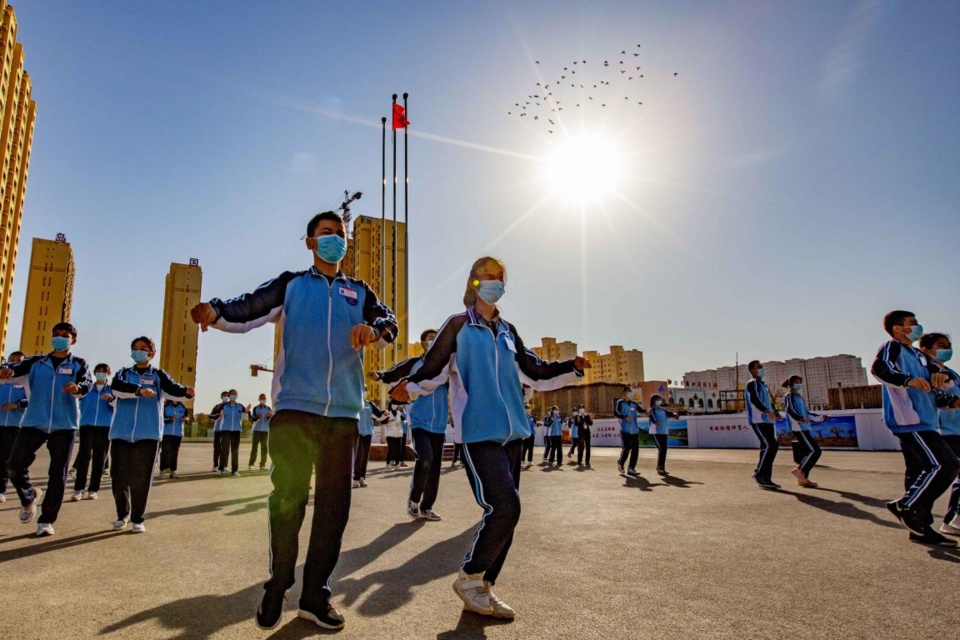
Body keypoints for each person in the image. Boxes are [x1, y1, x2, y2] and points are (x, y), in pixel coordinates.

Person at [190, 208, 397, 630]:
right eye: (326, 233)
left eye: (340, 234)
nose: (335, 239)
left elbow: (388, 322)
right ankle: (279, 580)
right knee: (288, 502)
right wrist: (214, 311)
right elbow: (249, 307)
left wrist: (373, 332)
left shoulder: (359, 291)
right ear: (309, 242)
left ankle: (314, 594)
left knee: (334, 509)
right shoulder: (292, 285)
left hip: (342, 415)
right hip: (295, 412)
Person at [390, 256, 588, 619]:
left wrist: (570, 368)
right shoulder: (457, 327)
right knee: (505, 507)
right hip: (479, 434)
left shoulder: (509, 331)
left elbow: (536, 372)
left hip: (514, 433)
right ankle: (470, 576)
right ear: (473, 282)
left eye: (500, 277)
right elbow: (431, 367)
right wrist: (410, 388)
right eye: (487, 276)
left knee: (509, 515)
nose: (495, 281)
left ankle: (483, 587)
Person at [872, 311, 960, 546]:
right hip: (910, 420)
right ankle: (906, 506)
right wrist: (907, 380)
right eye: (912, 324)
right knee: (946, 464)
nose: (917, 326)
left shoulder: (917, 356)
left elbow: (929, 390)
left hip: (926, 420)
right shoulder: (892, 347)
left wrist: (950, 401)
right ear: (898, 328)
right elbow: (880, 369)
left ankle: (920, 527)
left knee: (920, 473)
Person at [1, 323, 91, 536]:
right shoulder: (35, 362)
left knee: (57, 474)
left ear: (73, 340)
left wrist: (77, 388)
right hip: (34, 422)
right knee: (13, 465)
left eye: (65, 336)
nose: (60, 338)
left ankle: (46, 520)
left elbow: (85, 384)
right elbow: (12, 370)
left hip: (64, 425)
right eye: (56, 335)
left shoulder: (79, 364)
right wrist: (6, 371)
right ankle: (29, 496)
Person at [109, 337, 194, 533]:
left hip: (148, 434)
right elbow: (116, 388)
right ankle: (122, 514)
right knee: (119, 477)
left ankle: (138, 518)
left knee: (141, 478)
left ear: (152, 353)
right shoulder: (123, 373)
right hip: (121, 432)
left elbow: (173, 389)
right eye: (135, 348)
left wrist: (187, 392)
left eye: (144, 349)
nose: (139, 351)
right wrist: (138, 390)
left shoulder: (158, 375)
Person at [380, 328, 449, 521]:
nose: (433, 342)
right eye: (430, 339)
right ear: (422, 343)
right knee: (425, 459)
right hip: (419, 422)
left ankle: (427, 507)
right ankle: (414, 501)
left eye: (436, 339)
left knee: (435, 467)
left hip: (440, 424)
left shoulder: (445, 366)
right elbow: (394, 373)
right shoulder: (414, 364)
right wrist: (381, 375)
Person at [917, 332, 960, 536]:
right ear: (925, 350)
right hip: (945, 431)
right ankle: (950, 520)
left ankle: (955, 520)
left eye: (948, 344)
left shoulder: (951, 372)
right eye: (941, 345)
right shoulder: (928, 372)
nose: (947, 348)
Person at [71, 363, 114, 500]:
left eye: (104, 371)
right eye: (98, 371)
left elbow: (118, 406)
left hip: (104, 427)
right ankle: (78, 489)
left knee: (99, 459)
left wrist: (111, 399)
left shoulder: (113, 390)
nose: (101, 373)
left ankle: (93, 489)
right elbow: (76, 396)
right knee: (84, 457)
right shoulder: (87, 389)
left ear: (108, 374)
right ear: (94, 373)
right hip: (87, 425)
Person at [782, 376, 827, 488]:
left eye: (800, 382)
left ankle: (803, 479)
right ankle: (800, 470)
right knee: (815, 451)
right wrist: (800, 418)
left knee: (809, 452)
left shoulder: (799, 397)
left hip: (805, 427)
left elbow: (807, 413)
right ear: (791, 384)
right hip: (799, 427)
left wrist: (821, 417)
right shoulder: (790, 395)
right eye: (797, 382)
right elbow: (790, 410)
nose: (799, 384)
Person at [744, 360, 783, 490]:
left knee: (768, 447)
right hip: (759, 419)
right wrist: (766, 411)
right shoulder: (752, 383)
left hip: (767, 420)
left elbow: (767, 402)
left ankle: (765, 478)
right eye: (759, 367)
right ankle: (759, 474)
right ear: (753, 370)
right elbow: (754, 399)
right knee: (770, 445)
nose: (762, 369)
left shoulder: (762, 385)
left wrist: (775, 412)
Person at [0, 351, 27, 504]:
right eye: (13, 360)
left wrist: (16, 404)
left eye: (19, 360)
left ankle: (5, 488)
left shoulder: (24, 380)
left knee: (9, 458)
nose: (15, 362)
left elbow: (30, 399)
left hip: (16, 425)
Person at [354, 399, 386, 488]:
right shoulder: (356, 401)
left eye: (365, 389)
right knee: (359, 455)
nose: (364, 391)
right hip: (357, 432)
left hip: (368, 432)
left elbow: (379, 415)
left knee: (365, 456)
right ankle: (355, 479)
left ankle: (361, 478)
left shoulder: (370, 404)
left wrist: (385, 414)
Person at [614, 387, 644, 477]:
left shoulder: (634, 404)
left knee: (635, 450)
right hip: (625, 429)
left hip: (634, 430)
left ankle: (631, 468)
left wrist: (647, 412)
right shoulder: (619, 402)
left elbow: (641, 410)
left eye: (631, 392)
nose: (630, 393)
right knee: (627, 448)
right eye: (628, 392)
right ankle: (621, 462)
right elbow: (615, 412)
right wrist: (624, 417)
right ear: (623, 393)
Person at [648, 395, 680, 476]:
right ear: (653, 401)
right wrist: (655, 421)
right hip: (655, 432)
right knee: (661, 449)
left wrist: (675, 414)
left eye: (660, 399)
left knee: (664, 450)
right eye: (658, 399)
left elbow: (671, 413)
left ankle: (661, 467)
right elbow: (651, 416)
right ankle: (660, 467)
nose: (660, 401)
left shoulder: (662, 410)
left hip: (663, 432)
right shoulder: (651, 410)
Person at [218, 389, 247, 476]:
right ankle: (221, 468)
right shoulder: (224, 406)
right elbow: (218, 414)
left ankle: (234, 470)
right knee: (224, 450)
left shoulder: (241, 407)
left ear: (237, 395)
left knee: (235, 451)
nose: (233, 395)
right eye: (231, 394)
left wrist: (247, 412)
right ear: (229, 395)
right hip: (226, 430)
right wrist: (219, 414)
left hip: (236, 431)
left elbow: (246, 418)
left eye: (235, 394)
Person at [159, 399, 187, 478]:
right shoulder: (165, 406)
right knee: (165, 451)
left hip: (178, 434)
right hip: (166, 433)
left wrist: (185, 419)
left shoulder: (183, 407)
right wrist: (170, 419)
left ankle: (173, 471)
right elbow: (161, 419)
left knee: (175, 453)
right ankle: (162, 469)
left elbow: (186, 417)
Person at [249, 393, 273, 471]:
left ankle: (262, 465)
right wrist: (257, 417)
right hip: (257, 430)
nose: (263, 399)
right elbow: (252, 419)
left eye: (264, 398)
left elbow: (271, 419)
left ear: (266, 399)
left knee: (264, 448)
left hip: (265, 431)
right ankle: (251, 464)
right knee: (254, 448)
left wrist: (271, 416)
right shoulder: (256, 408)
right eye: (261, 398)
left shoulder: (268, 408)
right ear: (259, 399)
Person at [208, 390, 229, 472]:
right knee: (217, 448)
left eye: (227, 395)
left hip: (227, 430)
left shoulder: (232, 406)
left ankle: (224, 465)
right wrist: (218, 415)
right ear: (221, 397)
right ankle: (215, 465)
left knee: (226, 448)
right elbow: (210, 416)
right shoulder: (217, 406)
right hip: (218, 429)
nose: (226, 397)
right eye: (224, 395)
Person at [383, 403, 405, 470]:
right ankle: (388, 464)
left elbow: (404, 419)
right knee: (391, 449)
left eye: (396, 404)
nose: (395, 405)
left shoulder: (399, 413)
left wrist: (405, 421)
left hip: (398, 433)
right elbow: (382, 421)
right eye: (393, 404)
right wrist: (389, 420)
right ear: (390, 405)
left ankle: (397, 465)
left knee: (398, 450)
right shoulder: (387, 413)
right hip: (390, 433)